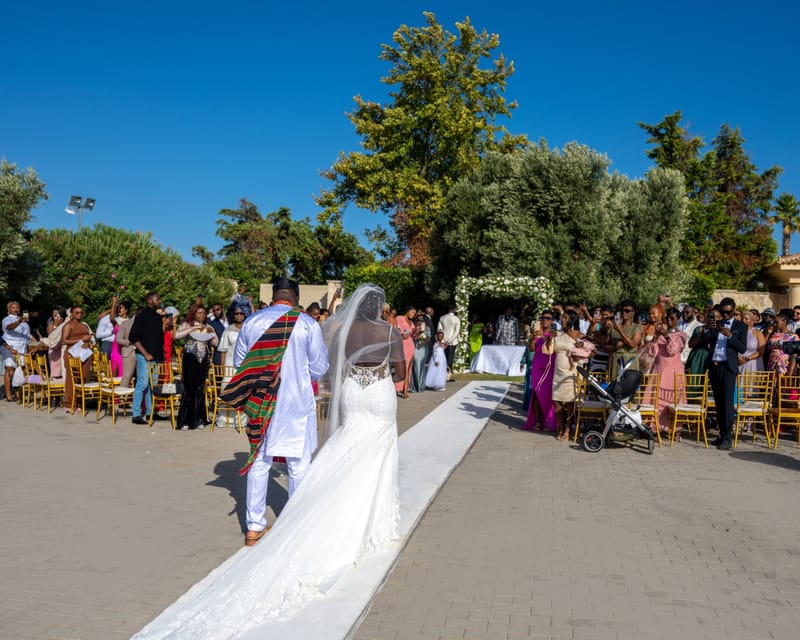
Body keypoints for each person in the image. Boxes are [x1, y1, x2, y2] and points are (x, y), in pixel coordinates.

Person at [231, 278, 329, 547]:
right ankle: (295, 525)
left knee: (260, 462)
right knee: (298, 465)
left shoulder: (252, 322)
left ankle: (253, 527)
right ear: (295, 297)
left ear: (275, 296)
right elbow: (319, 368)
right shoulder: (307, 324)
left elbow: (240, 364)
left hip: (262, 403)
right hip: (296, 403)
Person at [702, 297, 747, 450]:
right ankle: (721, 434)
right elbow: (705, 340)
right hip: (714, 366)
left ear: (734, 311)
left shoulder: (740, 326)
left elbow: (742, 348)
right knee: (719, 402)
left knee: (728, 403)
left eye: (728, 313)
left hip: (728, 367)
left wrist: (730, 336)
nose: (725, 315)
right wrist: (708, 328)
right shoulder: (716, 324)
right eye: (723, 312)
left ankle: (728, 437)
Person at [643, 307, 687, 436]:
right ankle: (653, 426)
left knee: (674, 399)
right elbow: (652, 352)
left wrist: (666, 335)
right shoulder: (660, 333)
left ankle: (673, 429)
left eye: (672, 318)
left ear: (678, 319)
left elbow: (672, 350)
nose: (669, 320)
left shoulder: (681, 336)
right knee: (655, 398)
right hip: (659, 370)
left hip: (674, 371)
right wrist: (656, 338)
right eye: (667, 318)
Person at [174, 305, 218, 430]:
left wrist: (212, 334)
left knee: (199, 388)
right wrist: (192, 329)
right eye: (199, 313)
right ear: (194, 313)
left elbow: (215, 343)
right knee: (189, 388)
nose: (201, 315)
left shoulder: (208, 327)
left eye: (203, 313)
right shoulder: (187, 324)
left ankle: (199, 419)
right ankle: (185, 420)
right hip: (190, 358)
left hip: (203, 359)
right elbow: (176, 336)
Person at [128, 292, 165, 425]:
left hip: (156, 356)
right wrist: (145, 353)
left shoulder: (157, 316)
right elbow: (133, 337)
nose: (159, 301)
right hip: (145, 356)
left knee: (152, 385)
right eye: (157, 299)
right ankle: (136, 414)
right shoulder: (142, 316)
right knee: (142, 383)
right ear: (149, 300)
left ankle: (150, 412)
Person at [523, 310, 557, 432]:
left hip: (550, 367)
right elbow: (531, 349)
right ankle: (537, 422)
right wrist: (532, 338)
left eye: (548, 318)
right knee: (537, 394)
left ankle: (549, 420)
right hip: (537, 367)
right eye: (543, 318)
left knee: (548, 395)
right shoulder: (536, 333)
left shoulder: (554, 334)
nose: (545, 320)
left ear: (552, 321)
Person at [60, 305, 93, 414]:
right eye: (77, 312)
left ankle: (80, 403)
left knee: (83, 378)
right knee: (71, 378)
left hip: (85, 353)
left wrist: (88, 341)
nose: (79, 314)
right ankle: (69, 404)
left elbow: (87, 338)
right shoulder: (68, 325)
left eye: (81, 312)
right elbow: (64, 341)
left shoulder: (84, 326)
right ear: (72, 314)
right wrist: (80, 339)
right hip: (72, 353)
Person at [2, 301, 31, 402]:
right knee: (10, 369)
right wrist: (19, 321)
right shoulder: (7, 319)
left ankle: (18, 393)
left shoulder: (25, 323)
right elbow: (9, 327)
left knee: (21, 369)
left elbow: (26, 337)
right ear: (8, 309)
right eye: (13, 307)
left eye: (17, 307)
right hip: (9, 345)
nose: (16, 309)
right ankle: (8, 394)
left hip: (22, 347)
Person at [608, 300, 643, 378]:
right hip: (614, 362)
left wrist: (619, 330)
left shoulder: (637, 327)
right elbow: (606, 345)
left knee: (627, 387)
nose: (624, 312)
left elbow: (632, 344)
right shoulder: (613, 327)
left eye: (627, 311)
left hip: (629, 363)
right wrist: (614, 347)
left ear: (633, 312)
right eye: (622, 310)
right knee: (613, 388)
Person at [394, 306, 416, 398]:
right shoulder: (399, 318)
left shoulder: (412, 322)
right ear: (407, 311)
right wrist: (405, 333)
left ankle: (405, 389)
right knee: (402, 367)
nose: (413, 315)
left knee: (409, 369)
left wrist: (418, 332)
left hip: (410, 346)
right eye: (412, 312)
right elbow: (397, 331)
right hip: (402, 346)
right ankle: (398, 388)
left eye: (414, 313)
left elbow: (414, 336)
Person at [437, 305, 461, 371]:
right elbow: (456, 331)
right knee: (450, 356)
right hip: (452, 341)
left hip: (443, 340)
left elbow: (439, 330)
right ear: (454, 310)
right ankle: (448, 371)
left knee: (443, 356)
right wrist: (449, 340)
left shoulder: (442, 318)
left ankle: (442, 370)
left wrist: (443, 340)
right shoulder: (456, 319)